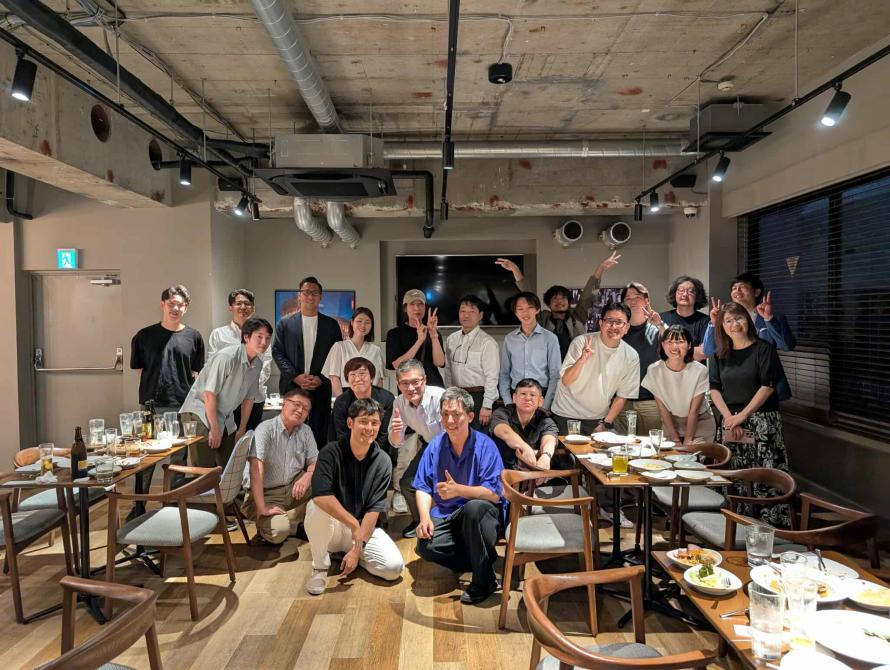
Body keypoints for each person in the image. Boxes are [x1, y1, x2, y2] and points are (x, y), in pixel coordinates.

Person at [413, 387, 505, 605]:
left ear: (470, 416)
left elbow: (494, 495)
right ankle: (479, 557)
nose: (449, 420)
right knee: (425, 547)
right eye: (445, 414)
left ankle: (484, 580)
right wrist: (424, 518)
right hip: (447, 513)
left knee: (474, 508)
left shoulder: (485, 445)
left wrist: (459, 490)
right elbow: (423, 487)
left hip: (483, 515)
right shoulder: (435, 445)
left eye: (456, 414)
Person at [304, 398, 404, 595]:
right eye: (363, 422)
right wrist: (353, 525)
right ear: (350, 423)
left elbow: (375, 509)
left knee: (393, 568)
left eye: (374, 423)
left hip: (362, 530)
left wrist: (357, 549)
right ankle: (320, 567)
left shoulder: (383, 461)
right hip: (334, 526)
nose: (369, 428)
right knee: (315, 508)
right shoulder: (330, 452)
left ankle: (350, 556)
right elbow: (321, 496)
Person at [709, 302, 789, 526]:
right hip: (729, 421)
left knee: (763, 474)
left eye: (739, 318)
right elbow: (714, 388)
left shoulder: (764, 349)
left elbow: (767, 386)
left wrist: (742, 416)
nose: (734, 324)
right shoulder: (718, 355)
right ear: (721, 326)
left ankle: (767, 527)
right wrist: (729, 418)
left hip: (761, 420)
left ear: (748, 320)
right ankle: (731, 526)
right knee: (732, 474)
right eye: (728, 320)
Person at [129, 285, 203, 517]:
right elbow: (139, 368)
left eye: (180, 305)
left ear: (186, 308)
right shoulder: (144, 336)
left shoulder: (194, 337)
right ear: (162, 305)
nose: (175, 308)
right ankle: (138, 507)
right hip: (151, 405)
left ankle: (172, 506)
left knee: (179, 457)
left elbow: (196, 371)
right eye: (171, 304)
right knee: (146, 457)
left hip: (182, 404)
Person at [180, 317, 272, 469]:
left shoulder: (257, 364)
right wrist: (214, 428)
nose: (264, 342)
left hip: (224, 415)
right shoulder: (227, 357)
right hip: (200, 412)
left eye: (268, 338)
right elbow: (209, 394)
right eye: (259, 337)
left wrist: (242, 429)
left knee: (232, 466)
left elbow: (249, 399)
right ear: (246, 337)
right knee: (205, 470)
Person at [496, 251, 621, 358]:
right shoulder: (542, 318)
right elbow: (528, 295)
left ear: (569, 301)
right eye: (555, 299)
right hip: (547, 368)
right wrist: (515, 269)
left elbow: (587, 295)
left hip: (574, 367)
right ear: (548, 303)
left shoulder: (577, 316)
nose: (559, 301)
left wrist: (601, 268)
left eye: (563, 298)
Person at [272, 276, 343, 447]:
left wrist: (322, 378)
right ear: (299, 295)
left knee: (319, 434)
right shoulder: (285, 324)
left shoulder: (331, 325)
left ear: (320, 297)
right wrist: (295, 377)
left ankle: (316, 464)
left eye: (315, 293)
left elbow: (337, 356)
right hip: (293, 387)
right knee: (290, 431)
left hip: (321, 388)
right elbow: (277, 352)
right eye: (306, 292)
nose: (310, 296)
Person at [550, 302, 640, 435]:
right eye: (609, 321)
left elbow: (622, 395)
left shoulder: (631, 355)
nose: (613, 326)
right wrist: (582, 359)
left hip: (598, 420)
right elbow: (566, 381)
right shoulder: (582, 342)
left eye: (619, 322)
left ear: (626, 327)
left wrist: (606, 423)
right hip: (566, 414)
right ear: (601, 323)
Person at [702, 272, 796, 400]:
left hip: (767, 386)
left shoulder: (772, 317)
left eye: (742, 287)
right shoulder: (726, 319)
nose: (737, 291)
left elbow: (787, 346)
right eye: (734, 288)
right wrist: (714, 323)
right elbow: (708, 351)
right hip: (735, 384)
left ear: (756, 292)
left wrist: (768, 319)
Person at [243, 388, 317, 545]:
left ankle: (306, 524)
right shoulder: (266, 429)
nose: (300, 410)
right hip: (266, 492)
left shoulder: (306, 431)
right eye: (296, 404)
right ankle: (272, 525)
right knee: (279, 532)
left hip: (292, 487)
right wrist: (262, 507)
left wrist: (307, 476)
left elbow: (315, 462)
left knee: (324, 480)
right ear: (284, 404)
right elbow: (256, 469)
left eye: (305, 408)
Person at [387, 359, 445, 536]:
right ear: (398, 384)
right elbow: (395, 441)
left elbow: (452, 435)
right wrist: (397, 431)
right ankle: (419, 520)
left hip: (451, 447)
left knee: (442, 484)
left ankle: (442, 523)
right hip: (430, 445)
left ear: (424, 380)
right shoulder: (399, 403)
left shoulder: (440, 397)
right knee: (407, 483)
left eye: (415, 382)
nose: (410, 388)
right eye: (405, 383)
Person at [207, 288, 272, 431]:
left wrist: (246, 387)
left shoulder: (262, 335)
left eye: (247, 304)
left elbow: (265, 366)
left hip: (254, 398)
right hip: (225, 399)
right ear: (230, 307)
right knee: (225, 440)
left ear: (253, 308)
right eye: (238, 303)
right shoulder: (219, 334)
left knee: (250, 438)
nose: (243, 307)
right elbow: (212, 366)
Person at [641, 325, 715, 444]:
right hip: (671, 423)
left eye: (680, 341)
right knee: (669, 454)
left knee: (693, 454)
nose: (674, 346)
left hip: (700, 422)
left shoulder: (700, 370)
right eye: (669, 342)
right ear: (663, 344)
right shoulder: (654, 370)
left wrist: (688, 440)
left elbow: (694, 411)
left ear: (689, 345)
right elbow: (663, 410)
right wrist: (675, 439)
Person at [613, 281, 663, 436]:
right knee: (622, 445)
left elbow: (674, 344)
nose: (632, 301)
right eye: (628, 298)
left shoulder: (656, 330)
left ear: (647, 300)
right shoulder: (617, 331)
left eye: (637, 297)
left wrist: (660, 324)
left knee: (651, 445)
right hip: (621, 400)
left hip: (650, 401)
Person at [443, 295, 500, 429]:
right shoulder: (451, 339)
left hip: (478, 397)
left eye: (472, 311)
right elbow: (448, 371)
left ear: (480, 315)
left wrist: (487, 406)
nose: (466, 315)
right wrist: (448, 396)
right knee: (456, 433)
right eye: (463, 311)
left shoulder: (487, 342)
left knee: (477, 436)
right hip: (456, 396)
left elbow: (492, 376)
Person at [498, 292, 561, 409]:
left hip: (541, 395)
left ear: (537, 310)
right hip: (516, 395)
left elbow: (555, 375)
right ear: (515, 312)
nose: (525, 313)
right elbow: (504, 374)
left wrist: (545, 406)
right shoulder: (509, 339)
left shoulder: (550, 338)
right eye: (520, 309)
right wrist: (508, 403)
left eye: (529, 308)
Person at [331, 357, 395, 460]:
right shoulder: (341, 402)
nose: (357, 379)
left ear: (371, 377)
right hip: (350, 453)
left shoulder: (386, 399)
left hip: (380, 452)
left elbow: (384, 435)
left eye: (362, 374)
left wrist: (371, 457)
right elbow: (342, 434)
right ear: (347, 379)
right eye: (352, 375)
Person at [489, 378, 559, 470]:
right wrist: (525, 447)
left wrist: (546, 456)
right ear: (514, 398)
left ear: (540, 401)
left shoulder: (545, 419)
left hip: (533, 472)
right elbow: (504, 431)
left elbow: (549, 439)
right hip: (501, 470)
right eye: (523, 394)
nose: (527, 398)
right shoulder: (501, 413)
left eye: (532, 395)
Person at [385, 289, 445, 387]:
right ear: (405, 308)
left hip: (433, 386)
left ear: (425, 308)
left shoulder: (433, 332)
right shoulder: (394, 334)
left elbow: (440, 362)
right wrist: (419, 341)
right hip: (409, 388)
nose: (416, 308)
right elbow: (396, 365)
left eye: (420, 304)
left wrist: (433, 335)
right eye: (412, 304)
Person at [322, 307, 385, 395]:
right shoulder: (339, 347)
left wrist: (377, 400)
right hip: (346, 394)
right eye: (359, 321)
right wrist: (342, 400)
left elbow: (379, 380)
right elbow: (334, 377)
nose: (363, 325)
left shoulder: (376, 350)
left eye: (367, 322)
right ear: (352, 322)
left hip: (370, 396)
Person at [659, 276, 710, 361]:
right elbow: (658, 349)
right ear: (674, 294)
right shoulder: (661, 318)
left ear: (697, 296)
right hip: (665, 368)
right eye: (681, 290)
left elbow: (703, 352)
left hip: (694, 369)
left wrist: (671, 350)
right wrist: (689, 350)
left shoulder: (705, 321)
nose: (685, 294)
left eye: (691, 291)